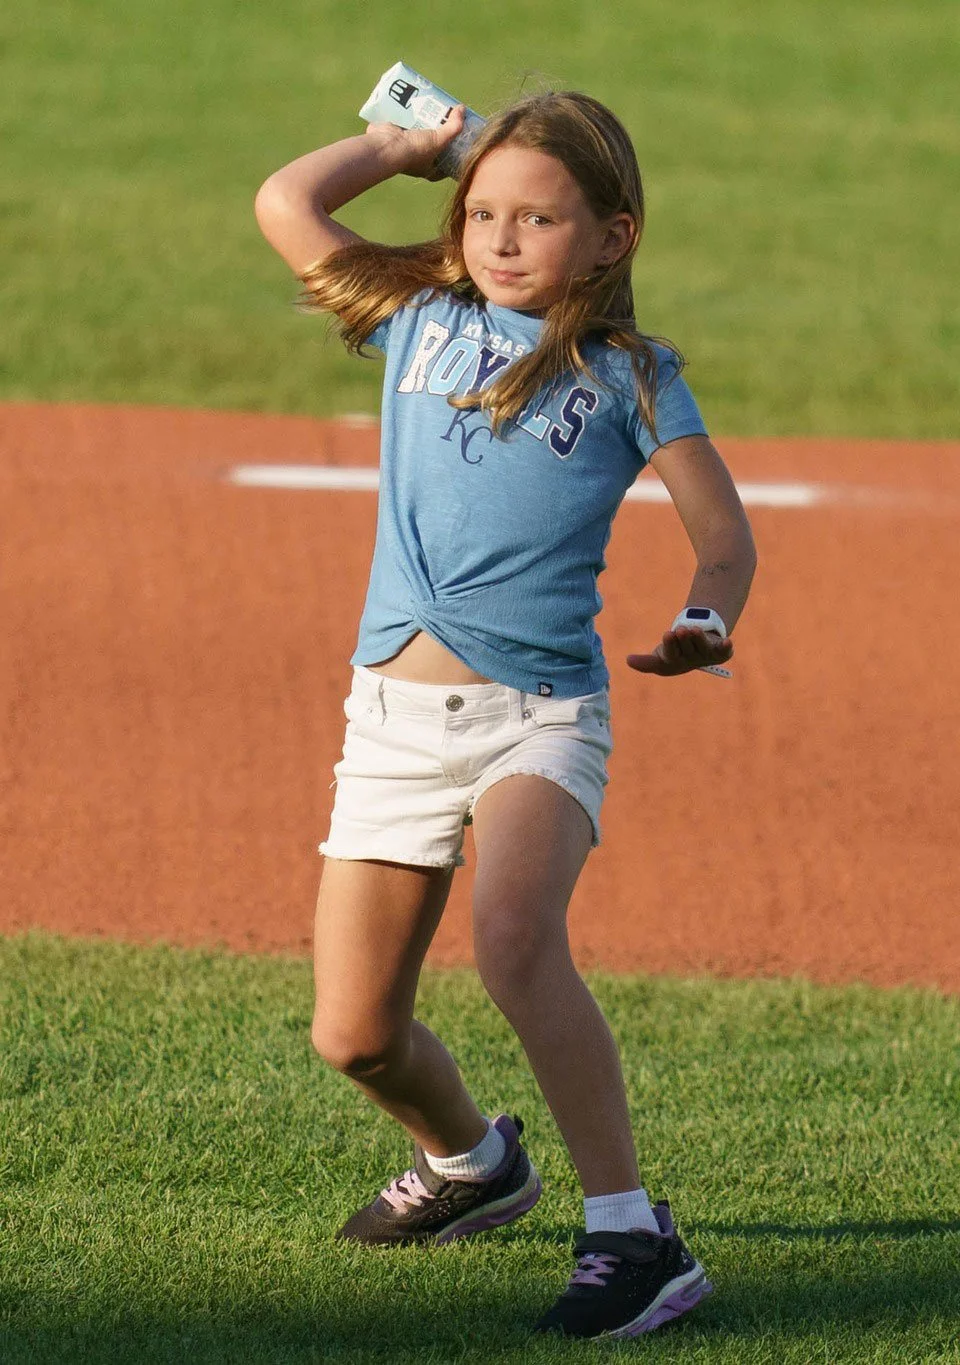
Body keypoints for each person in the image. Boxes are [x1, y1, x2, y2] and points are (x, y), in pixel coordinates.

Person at [254, 87, 756, 1340]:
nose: (501, 237)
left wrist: (706, 616)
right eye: (482, 213)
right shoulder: (416, 317)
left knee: (516, 939)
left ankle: (633, 1237)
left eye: (539, 217)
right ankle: (477, 1166)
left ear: (612, 238)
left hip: (540, 715)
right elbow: (284, 205)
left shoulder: (636, 374)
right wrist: (400, 149)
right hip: (391, 724)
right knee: (354, 1034)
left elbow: (724, 536)